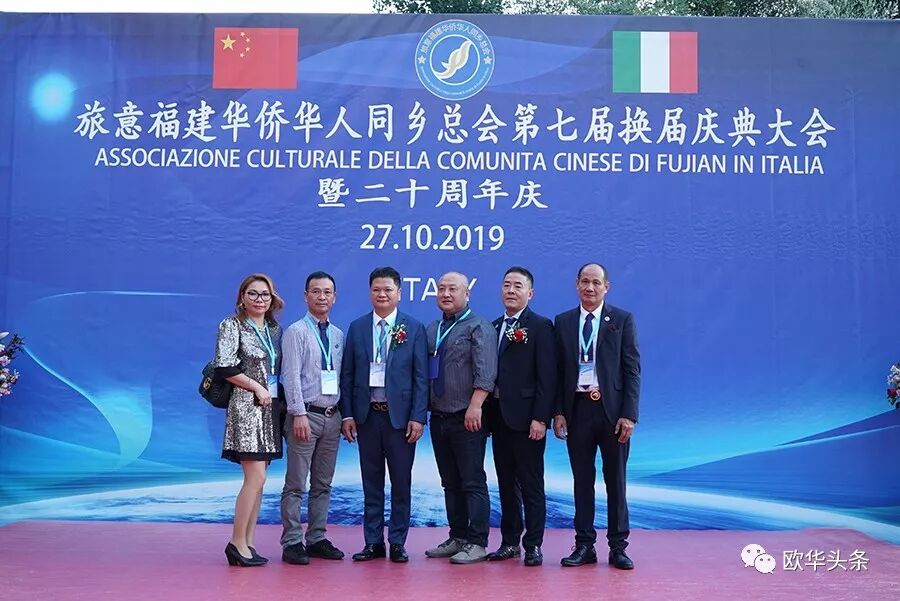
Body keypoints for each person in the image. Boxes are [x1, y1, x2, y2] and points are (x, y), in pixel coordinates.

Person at [552, 263, 640, 570]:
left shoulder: (622, 320)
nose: (590, 287)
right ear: (576, 284)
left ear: (606, 287)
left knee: (616, 481)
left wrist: (629, 415)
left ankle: (618, 547)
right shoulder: (563, 321)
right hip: (577, 410)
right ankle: (584, 545)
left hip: (612, 412)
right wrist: (558, 412)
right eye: (585, 282)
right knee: (582, 481)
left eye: (596, 283)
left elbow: (632, 370)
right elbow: (558, 372)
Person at [339, 266, 428, 563]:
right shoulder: (357, 328)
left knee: (401, 483)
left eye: (388, 289)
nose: (382, 294)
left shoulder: (413, 328)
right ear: (370, 293)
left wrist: (418, 417)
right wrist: (347, 415)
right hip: (367, 418)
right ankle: (373, 542)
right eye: (376, 289)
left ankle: (398, 542)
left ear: (399, 293)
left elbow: (421, 378)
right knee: (371, 483)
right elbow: (348, 375)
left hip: (400, 420)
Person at [424, 271, 497, 565]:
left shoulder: (479, 327)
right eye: (441, 288)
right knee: (449, 482)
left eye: (452, 289)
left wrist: (476, 405)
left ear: (467, 294)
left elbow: (486, 372)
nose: (445, 293)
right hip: (438, 417)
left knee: (472, 481)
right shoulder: (432, 328)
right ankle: (457, 537)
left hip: (467, 417)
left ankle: (477, 542)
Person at [485, 267, 555, 567]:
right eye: (506, 285)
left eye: (518, 286)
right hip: (498, 419)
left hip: (527, 421)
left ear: (530, 293)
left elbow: (547, 377)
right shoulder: (493, 326)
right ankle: (510, 542)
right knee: (505, 484)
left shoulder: (540, 326)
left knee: (531, 484)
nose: (511, 290)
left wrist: (541, 418)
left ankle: (534, 544)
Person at [215, 273, 285, 567]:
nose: (259, 299)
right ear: (242, 298)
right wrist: (256, 387)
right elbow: (224, 366)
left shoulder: (273, 329)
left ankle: (248, 542)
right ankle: (235, 542)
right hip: (246, 408)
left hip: (270, 409)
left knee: (260, 481)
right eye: (253, 294)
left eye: (265, 294)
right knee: (255, 477)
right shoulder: (232, 325)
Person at [279, 271, 345, 565]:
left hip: (332, 417)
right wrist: (298, 413)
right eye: (316, 291)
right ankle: (292, 541)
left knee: (323, 484)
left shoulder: (338, 335)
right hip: (305, 416)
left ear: (335, 297)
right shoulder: (296, 332)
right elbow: (290, 376)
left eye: (327, 292)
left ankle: (316, 538)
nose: (322, 297)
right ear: (306, 296)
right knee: (296, 484)